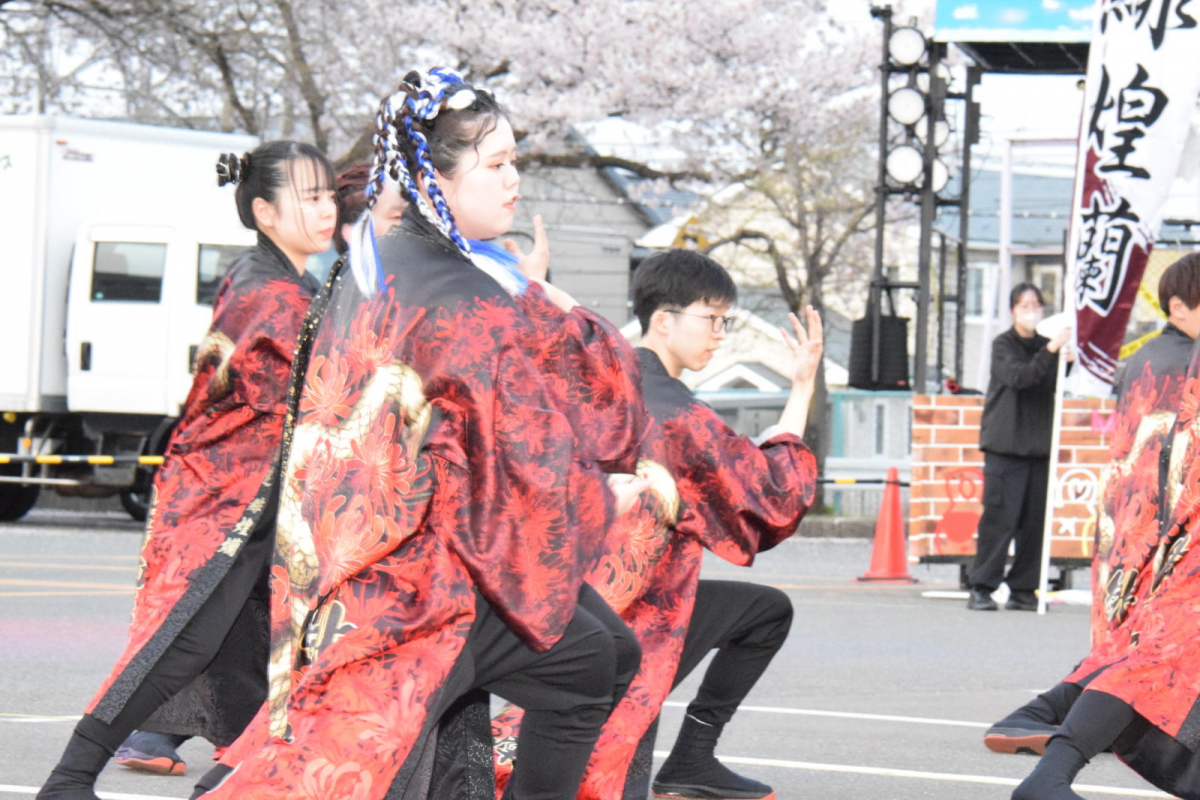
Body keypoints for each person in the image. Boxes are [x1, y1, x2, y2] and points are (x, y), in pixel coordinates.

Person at [194, 68, 647, 800]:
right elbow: (577, 431)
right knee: (588, 660)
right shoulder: (463, 292)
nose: (515, 183)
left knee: (602, 651)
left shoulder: (375, 263)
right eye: (497, 165)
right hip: (417, 577)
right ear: (435, 175)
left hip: (364, 554)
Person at [37, 141, 336, 800]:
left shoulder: (282, 282)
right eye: (309, 196)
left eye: (328, 193)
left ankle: (205, 782)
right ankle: (70, 779)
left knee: (262, 668)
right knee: (192, 644)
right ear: (264, 210)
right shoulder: (274, 296)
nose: (326, 208)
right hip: (228, 503)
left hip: (250, 498)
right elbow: (335, 385)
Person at [492, 249, 821, 800]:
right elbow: (774, 495)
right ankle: (688, 759)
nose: (721, 333)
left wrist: (538, 290)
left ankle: (692, 759)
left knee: (765, 612)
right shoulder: (680, 417)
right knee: (608, 760)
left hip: (563, 594)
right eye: (711, 318)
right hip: (640, 613)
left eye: (725, 320)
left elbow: (579, 329)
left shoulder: (598, 372)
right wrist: (802, 388)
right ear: (664, 320)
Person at [981, 255, 1200, 789]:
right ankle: (1053, 767)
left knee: (1136, 651)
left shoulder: (1144, 358)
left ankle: (1041, 721)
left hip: (1132, 531)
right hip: (1178, 532)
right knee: (1155, 660)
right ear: (1178, 305)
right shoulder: (1188, 363)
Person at [967, 283, 1073, 612]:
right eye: (1024, 304)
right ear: (1013, 310)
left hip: (1038, 448)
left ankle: (1024, 588)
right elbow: (1020, 377)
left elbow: (1051, 383)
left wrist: (1063, 359)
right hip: (1005, 447)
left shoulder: (1047, 347)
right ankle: (983, 586)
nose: (1031, 309)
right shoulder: (1004, 345)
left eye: (1036, 304)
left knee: (1034, 524)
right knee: (999, 520)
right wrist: (1053, 350)